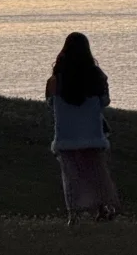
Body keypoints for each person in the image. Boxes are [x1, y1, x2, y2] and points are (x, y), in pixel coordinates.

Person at [46, 31, 120, 224]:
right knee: (97, 174)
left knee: (71, 177)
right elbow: (105, 101)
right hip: (92, 134)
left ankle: (74, 214)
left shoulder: (55, 80)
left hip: (66, 135)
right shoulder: (96, 77)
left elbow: (49, 102)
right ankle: (103, 208)